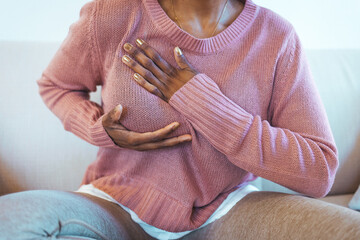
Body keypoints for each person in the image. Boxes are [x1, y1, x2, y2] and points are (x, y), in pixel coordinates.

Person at [0, 0, 340, 239]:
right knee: (12, 221)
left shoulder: (277, 38)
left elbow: (319, 171)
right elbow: (56, 86)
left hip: (225, 210)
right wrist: (97, 127)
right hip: (114, 205)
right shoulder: (112, 14)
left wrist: (200, 100)